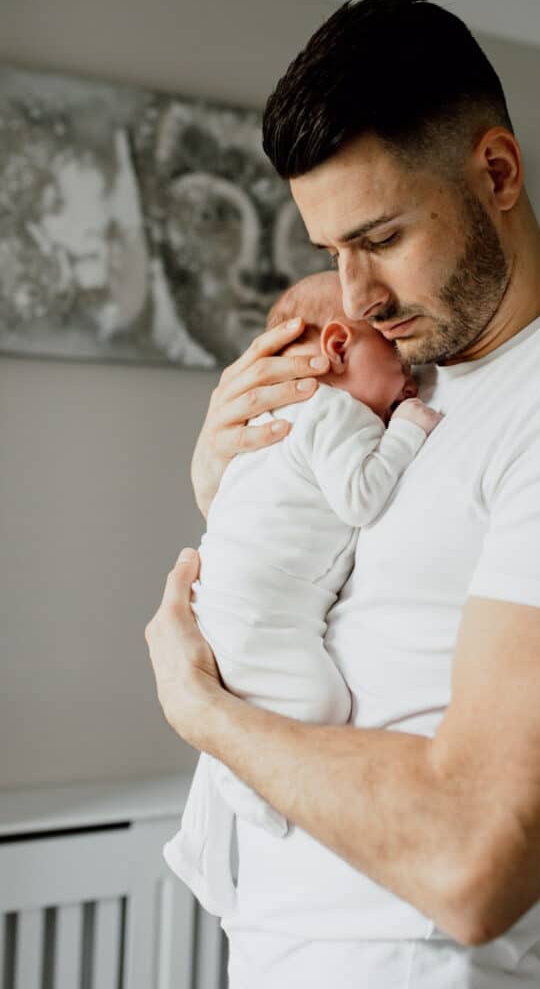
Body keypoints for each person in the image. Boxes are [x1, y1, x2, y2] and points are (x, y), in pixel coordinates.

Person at [145, 0, 540, 989]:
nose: (355, 298)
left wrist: (200, 707)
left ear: (496, 172)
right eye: (331, 253)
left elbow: (477, 858)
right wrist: (226, 487)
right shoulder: (401, 376)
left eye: (381, 237)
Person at [162, 270, 440, 917]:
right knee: (314, 701)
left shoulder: (278, 422)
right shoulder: (335, 412)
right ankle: (240, 793)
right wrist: (407, 429)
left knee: (257, 705)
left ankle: (196, 838)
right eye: (397, 360)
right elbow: (361, 497)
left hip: (240, 602)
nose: (412, 381)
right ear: (338, 345)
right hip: (255, 610)